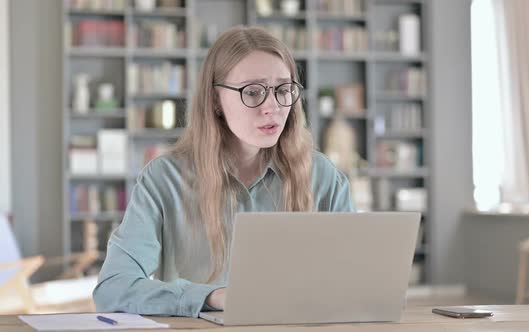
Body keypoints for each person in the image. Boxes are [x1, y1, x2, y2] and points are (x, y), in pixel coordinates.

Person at [93, 26, 355, 317]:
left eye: (283, 90)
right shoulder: (164, 179)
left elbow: (357, 283)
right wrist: (213, 297)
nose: (273, 107)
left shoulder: (322, 176)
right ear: (216, 100)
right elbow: (113, 289)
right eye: (253, 92)